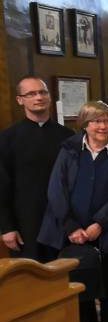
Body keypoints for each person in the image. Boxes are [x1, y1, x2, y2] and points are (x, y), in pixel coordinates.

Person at [39, 101, 108, 322]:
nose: (102, 126)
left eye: (106, 121)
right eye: (95, 121)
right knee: (77, 291)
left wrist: (99, 224)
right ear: (85, 125)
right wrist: (72, 227)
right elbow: (56, 190)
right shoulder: (69, 150)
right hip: (71, 233)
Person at [0, 77, 73, 261]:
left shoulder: (67, 136)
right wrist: (7, 227)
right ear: (20, 100)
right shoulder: (7, 138)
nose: (38, 97)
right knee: (29, 282)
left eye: (42, 92)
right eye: (31, 94)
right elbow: (2, 187)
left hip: (62, 221)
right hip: (26, 222)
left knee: (64, 279)